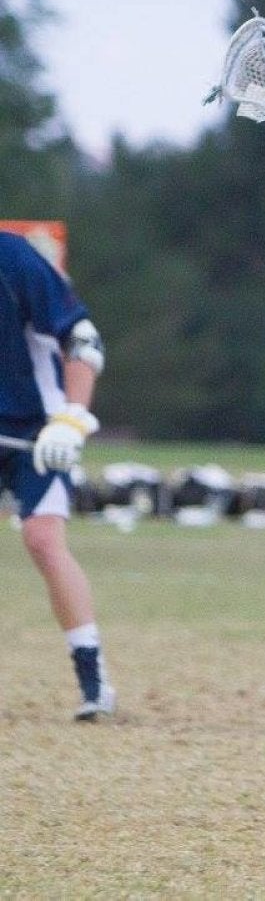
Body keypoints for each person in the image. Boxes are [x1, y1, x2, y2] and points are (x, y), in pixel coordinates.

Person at [0, 231, 113, 720]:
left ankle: (93, 679)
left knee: (42, 538)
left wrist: (71, 417)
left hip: (37, 428)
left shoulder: (13, 257)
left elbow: (83, 339)